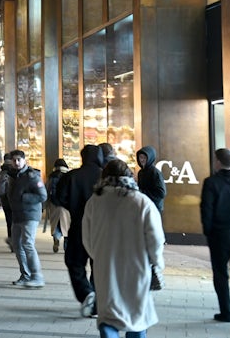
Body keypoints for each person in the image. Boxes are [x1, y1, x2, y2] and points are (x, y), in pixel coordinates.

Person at [83, 157, 165, 337]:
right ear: (129, 175)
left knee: (108, 316)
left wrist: (98, 256)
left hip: (105, 267)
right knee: (136, 317)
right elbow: (156, 239)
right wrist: (156, 262)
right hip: (136, 267)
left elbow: (87, 238)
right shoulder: (141, 202)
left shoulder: (94, 202)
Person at [54, 144, 106, 317]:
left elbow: (59, 198)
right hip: (102, 228)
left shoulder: (72, 176)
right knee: (99, 265)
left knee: (74, 262)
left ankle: (86, 293)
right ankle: (98, 303)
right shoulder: (105, 176)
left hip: (79, 225)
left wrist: (74, 206)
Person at [201, 147, 230, 322]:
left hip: (219, 234)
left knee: (221, 273)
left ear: (217, 162)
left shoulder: (211, 182)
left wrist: (208, 231)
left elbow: (206, 208)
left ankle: (226, 312)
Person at [7, 149, 47, 288]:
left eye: (19, 159)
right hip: (17, 215)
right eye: (14, 160)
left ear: (24, 160)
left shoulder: (32, 176)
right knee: (17, 245)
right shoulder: (11, 175)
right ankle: (26, 274)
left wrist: (23, 198)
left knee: (27, 243)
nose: (17, 162)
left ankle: (37, 276)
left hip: (30, 214)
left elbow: (43, 196)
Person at [46, 158, 71, 253]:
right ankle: (66, 245)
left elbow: (47, 189)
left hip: (54, 204)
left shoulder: (51, 176)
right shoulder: (69, 176)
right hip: (66, 204)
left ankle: (56, 238)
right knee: (67, 225)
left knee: (55, 223)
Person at [135, 146, 166, 214]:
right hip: (145, 206)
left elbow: (161, 193)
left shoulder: (155, 172)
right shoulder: (141, 172)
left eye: (144, 158)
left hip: (155, 208)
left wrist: (142, 192)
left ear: (150, 158)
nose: (142, 160)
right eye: (140, 157)